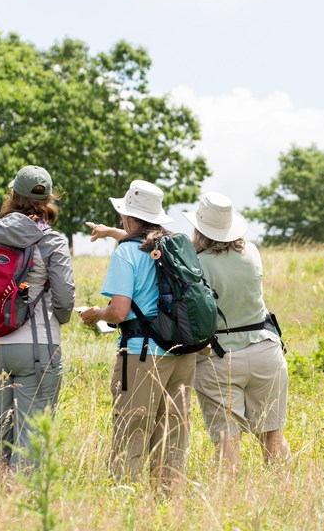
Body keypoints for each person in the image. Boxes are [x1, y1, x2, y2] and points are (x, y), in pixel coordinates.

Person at [80, 180, 196, 489]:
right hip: (183, 354)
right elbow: (141, 242)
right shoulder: (174, 246)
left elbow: (118, 312)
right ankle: (167, 504)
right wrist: (111, 232)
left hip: (142, 355)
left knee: (131, 429)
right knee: (172, 435)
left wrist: (96, 315)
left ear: (129, 217)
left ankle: (125, 500)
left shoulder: (125, 254)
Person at [0, 165, 75, 472]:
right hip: (37, 350)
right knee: (30, 443)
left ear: (13, 195)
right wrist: (60, 317)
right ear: (50, 200)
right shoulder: (52, 241)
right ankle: (19, 508)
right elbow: (66, 300)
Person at [182, 192, 290, 471]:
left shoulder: (196, 262)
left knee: (227, 441)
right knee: (273, 434)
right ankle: (287, 494)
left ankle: (228, 501)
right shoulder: (251, 252)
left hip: (219, 358)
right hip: (266, 349)